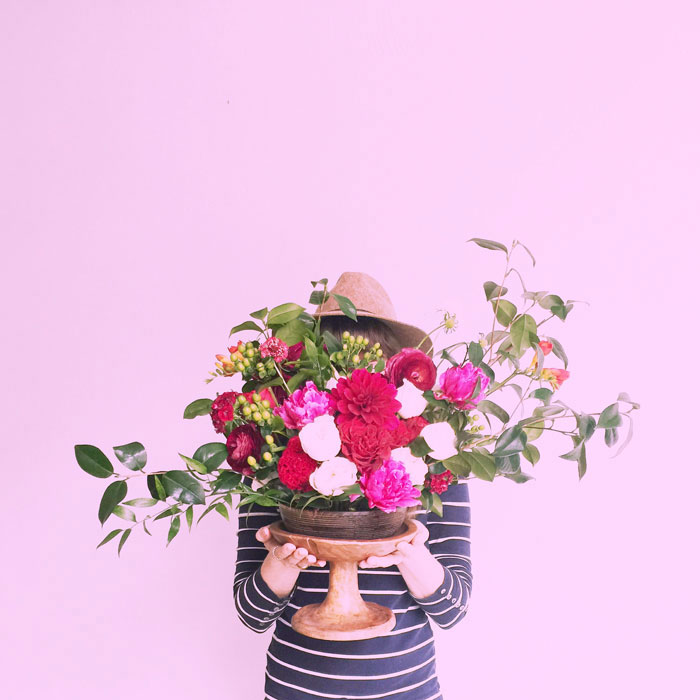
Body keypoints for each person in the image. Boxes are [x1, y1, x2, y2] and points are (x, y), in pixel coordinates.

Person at [233, 273, 472, 700]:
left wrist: (409, 555)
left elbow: (454, 610)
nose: (350, 372)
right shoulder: (273, 462)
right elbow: (252, 614)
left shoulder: (433, 464)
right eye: (334, 354)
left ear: (394, 365)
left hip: (406, 689)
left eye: (368, 353)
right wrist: (284, 562)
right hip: (296, 689)